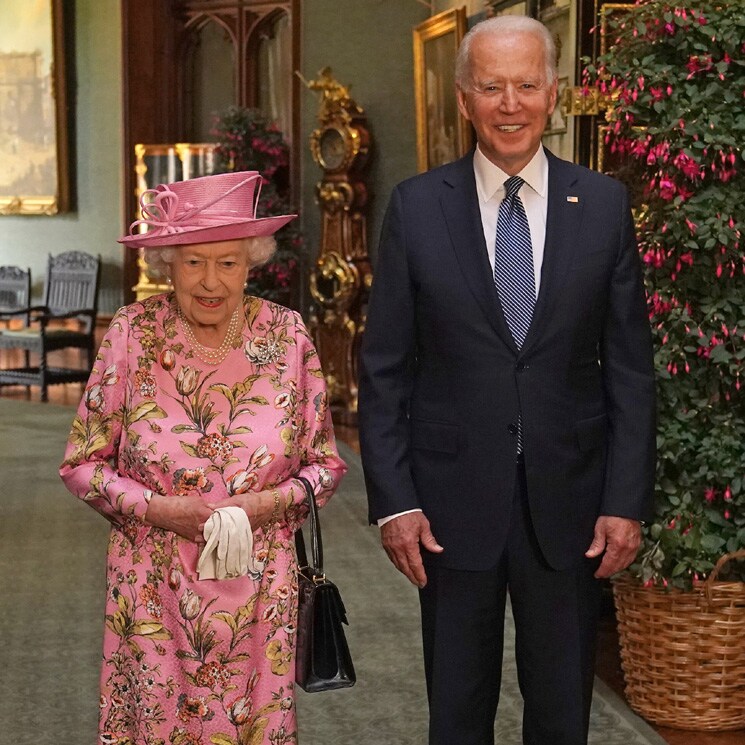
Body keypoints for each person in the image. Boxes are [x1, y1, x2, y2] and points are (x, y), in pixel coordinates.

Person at [358, 15, 655, 745]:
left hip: (575, 505)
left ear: (552, 93)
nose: (510, 104)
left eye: (526, 85)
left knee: (561, 711)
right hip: (448, 505)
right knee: (456, 711)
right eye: (491, 87)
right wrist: (394, 503)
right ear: (464, 99)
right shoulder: (417, 207)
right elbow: (384, 367)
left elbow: (628, 367)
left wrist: (625, 499)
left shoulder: (604, 206)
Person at [59, 171, 346, 745]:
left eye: (228, 263)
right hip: (152, 590)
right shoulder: (131, 334)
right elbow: (81, 464)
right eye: (193, 262)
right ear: (168, 263)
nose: (210, 281)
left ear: (252, 262)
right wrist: (159, 509)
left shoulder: (288, 337)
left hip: (262, 590)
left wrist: (268, 503)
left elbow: (326, 466)